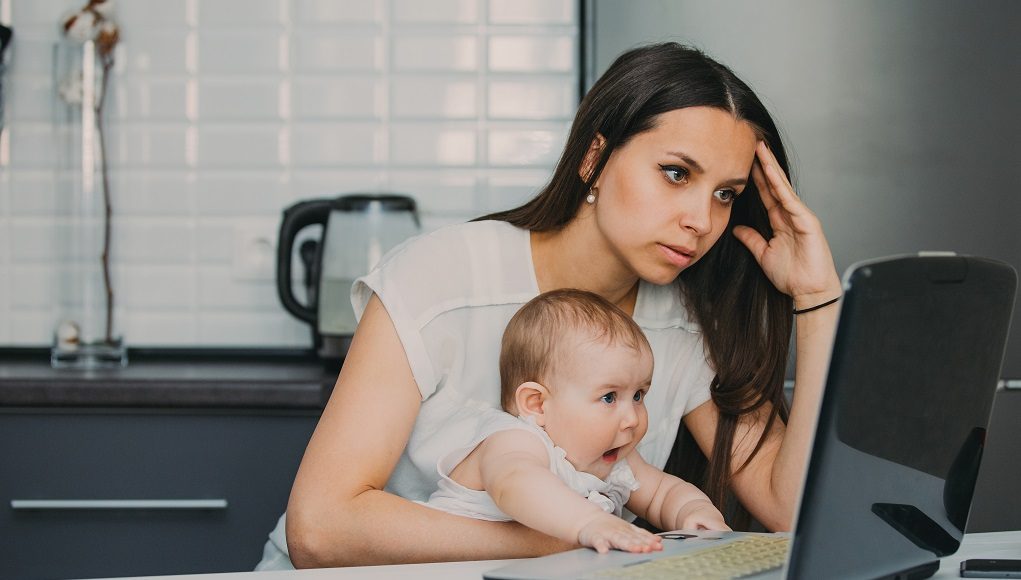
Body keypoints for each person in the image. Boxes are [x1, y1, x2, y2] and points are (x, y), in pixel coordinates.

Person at [257, 41, 842, 569]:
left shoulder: (686, 319)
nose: (701, 220)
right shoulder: (443, 276)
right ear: (594, 157)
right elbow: (321, 529)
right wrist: (569, 538)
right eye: (674, 173)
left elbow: (789, 506)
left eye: (725, 195)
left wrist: (817, 299)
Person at [420, 289, 729, 554]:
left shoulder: (612, 459)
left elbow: (661, 493)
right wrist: (589, 522)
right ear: (537, 404)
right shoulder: (514, 441)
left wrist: (694, 512)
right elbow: (516, 485)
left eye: (638, 395)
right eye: (609, 397)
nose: (632, 418)